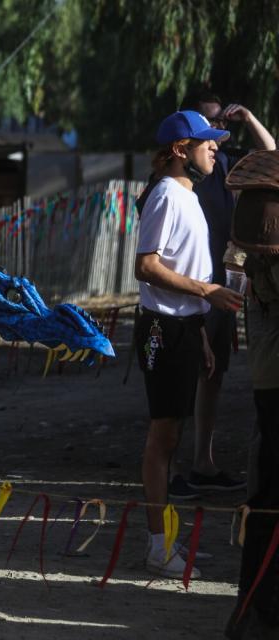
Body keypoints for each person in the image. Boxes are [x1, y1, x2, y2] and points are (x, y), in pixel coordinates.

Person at [134, 110, 244, 578]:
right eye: (207, 141)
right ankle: (158, 547)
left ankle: (168, 540)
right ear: (182, 150)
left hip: (184, 328)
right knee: (163, 437)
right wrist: (207, 295)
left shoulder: (190, 194)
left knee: (172, 435)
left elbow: (188, 263)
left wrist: (200, 330)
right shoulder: (165, 195)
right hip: (162, 328)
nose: (216, 147)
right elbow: (146, 267)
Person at [165, 91, 276, 500]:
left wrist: (248, 116)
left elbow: (271, 155)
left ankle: (203, 464)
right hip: (187, 292)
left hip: (223, 288)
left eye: (222, 127)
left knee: (212, 375)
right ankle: (170, 468)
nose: (219, 135)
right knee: (179, 377)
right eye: (210, 125)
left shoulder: (227, 165)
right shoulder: (173, 183)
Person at [221, 149, 279, 637]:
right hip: (275, 388)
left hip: (268, 386)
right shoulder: (267, 250)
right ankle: (257, 615)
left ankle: (254, 613)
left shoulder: (256, 242)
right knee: (267, 507)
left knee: (265, 502)